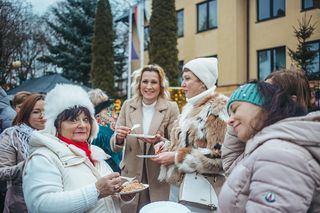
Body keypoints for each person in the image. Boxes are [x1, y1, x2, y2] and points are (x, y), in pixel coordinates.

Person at [23, 84, 135, 213]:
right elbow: (41, 205)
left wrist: (122, 195)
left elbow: (104, 200)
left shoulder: (95, 154)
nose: (82, 125)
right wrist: (96, 191)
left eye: (86, 119)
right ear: (56, 125)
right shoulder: (43, 157)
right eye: (73, 120)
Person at [218, 79, 320, 212]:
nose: (229, 120)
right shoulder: (275, 148)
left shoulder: (279, 155)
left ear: (264, 106)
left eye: (235, 109)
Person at [152, 57, 228, 212]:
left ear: (203, 82)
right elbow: (187, 144)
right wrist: (166, 146)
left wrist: (174, 157)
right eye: (183, 78)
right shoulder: (189, 107)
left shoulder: (217, 108)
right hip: (179, 187)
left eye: (187, 79)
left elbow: (219, 157)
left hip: (200, 192)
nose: (182, 84)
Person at [110, 64, 180, 212]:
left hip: (157, 176)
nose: (149, 86)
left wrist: (161, 141)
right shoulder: (128, 105)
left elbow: (176, 143)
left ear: (161, 85)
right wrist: (119, 137)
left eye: (154, 82)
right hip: (131, 175)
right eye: (145, 81)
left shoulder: (171, 107)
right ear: (139, 84)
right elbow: (115, 143)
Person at [222, 69, 312, 176]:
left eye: (268, 90)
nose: (260, 92)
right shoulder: (254, 125)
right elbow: (230, 162)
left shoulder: (284, 148)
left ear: (290, 101)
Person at [0, 94, 45, 213]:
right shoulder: (12, 135)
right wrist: (28, 165)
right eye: (36, 112)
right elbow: (2, 172)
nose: (43, 116)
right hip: (21, 204)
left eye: (46, 111)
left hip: (52, 202)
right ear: (26, 113)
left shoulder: (56, 135)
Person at [88, 88, 122, 173]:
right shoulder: (97, 130)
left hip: (116, 164)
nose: (107, 110)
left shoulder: (110, 123)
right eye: (104, 107)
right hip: (107, 168)